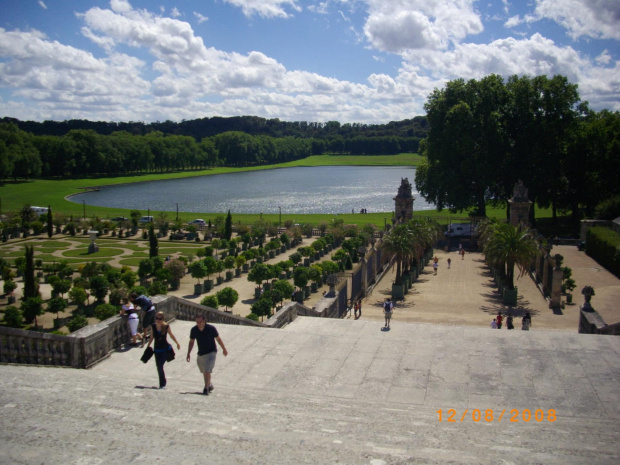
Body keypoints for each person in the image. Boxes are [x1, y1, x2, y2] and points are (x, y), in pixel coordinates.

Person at [187, 314, 228, 395]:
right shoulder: (194, 330)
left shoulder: (211, 328)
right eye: (197, 322)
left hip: (211, 352)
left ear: (204, 321)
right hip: (201, 353)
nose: (199, 323)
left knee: (207, 370)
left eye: (200, 321)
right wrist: (188, 353)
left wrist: (224, 349)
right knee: (204, 370)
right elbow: (191, 341)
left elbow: (218, 339)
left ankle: (206, 388)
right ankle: (209, 384)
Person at [145, 311, 180, 389]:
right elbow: (151, 337)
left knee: (160, 365)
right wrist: (148, 346)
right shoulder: (153, 326)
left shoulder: (166, 326)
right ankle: (162, 382)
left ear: (163, 319)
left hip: (165, 349)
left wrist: (177, 343)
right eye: (156, 318)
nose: (158, 320)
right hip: (157, 349)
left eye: (160, 318)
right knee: (159, 367)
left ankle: (162, 384)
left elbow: (171, 335)